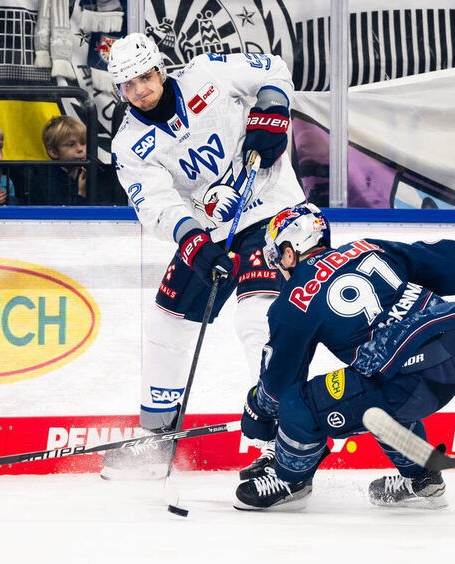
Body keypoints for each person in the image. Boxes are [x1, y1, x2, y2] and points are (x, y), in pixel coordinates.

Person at [100, 33, 305, 479]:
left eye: (145, 77)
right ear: (119, 92)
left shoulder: (206, 73)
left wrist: (272, 111)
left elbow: (271, 67)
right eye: (128, 85)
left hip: (272, 210)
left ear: (161, 68)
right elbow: (156, 205)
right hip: (212, 231)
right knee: (166, 320)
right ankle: (157, 440)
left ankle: (275, 449)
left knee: (258, 320)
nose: (140, 90)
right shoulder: (129, 145)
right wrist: (194, 239)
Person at [234, 203, 455, 511]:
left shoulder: (294, 300)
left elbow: (278, 387)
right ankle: (423, 481)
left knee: (301, 403)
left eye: (276, 256)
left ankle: (291, 482)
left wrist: (256, 413)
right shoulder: (367, 247)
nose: (278, 266)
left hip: (409, 381)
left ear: (290, 250)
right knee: (372, 395)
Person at [30, 116, 88, 205]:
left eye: (83, 143)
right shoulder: (46, 180)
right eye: (71, 145)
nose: (80, 149)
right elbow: (63, 216)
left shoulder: (86, 173)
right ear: (53, 152)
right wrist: (81, 193)